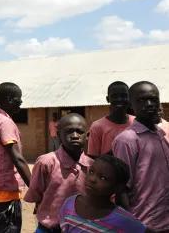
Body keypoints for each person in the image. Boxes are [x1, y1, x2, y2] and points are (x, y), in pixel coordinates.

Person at [113, 81, 169, 232]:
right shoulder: (127, 140)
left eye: (154, 99)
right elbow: (120, 189)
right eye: (142, 100)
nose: (150, 104)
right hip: (145, 224)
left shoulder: (160, 134)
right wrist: (133, 226)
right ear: (131, 106)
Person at [24, 113, 93, 233]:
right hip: (48, 229)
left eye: (79, 132)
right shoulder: (46, 162)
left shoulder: (91, 166)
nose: (75, 136)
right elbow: (36, 194)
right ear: (59, 135)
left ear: (87, 136)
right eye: (68, 132)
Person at [58, 155, 153, 233]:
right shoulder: (70, 203)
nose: (92, 179)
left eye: (102, 178)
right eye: (91, 172)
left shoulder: (122, 219)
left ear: (118, 187)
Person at [0, 82, 31, 233]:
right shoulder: (5, 123)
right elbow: (17, 158)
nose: (21, 102)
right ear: (10, 99)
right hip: (6, 191)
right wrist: (35, 187)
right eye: (19, 98)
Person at [87, 81, 134, 158]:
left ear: (130, 98)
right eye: (114, 96)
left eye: (124, 96)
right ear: (108, 99)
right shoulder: (98, 126)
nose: (119, 99)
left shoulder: (137, 122)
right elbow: (93, 158)